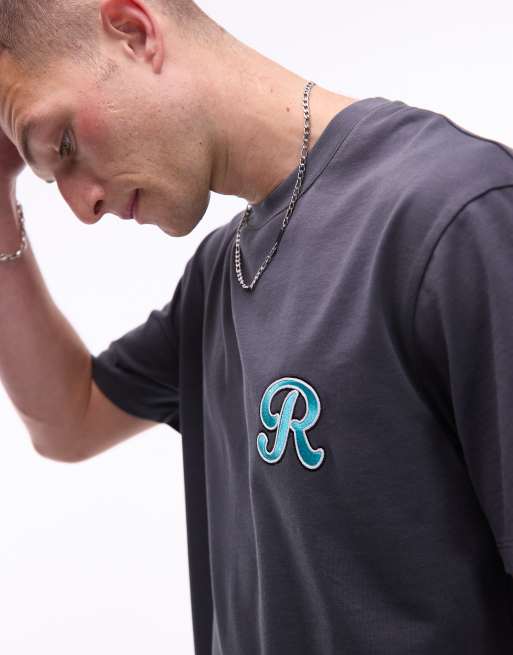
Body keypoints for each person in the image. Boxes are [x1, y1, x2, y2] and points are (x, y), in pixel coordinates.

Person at [1, 0, 513, 653]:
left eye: (65, 145)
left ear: (134, 31)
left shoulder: (453, 215)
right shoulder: (221, 272)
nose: (83, 206)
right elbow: (66, 418)